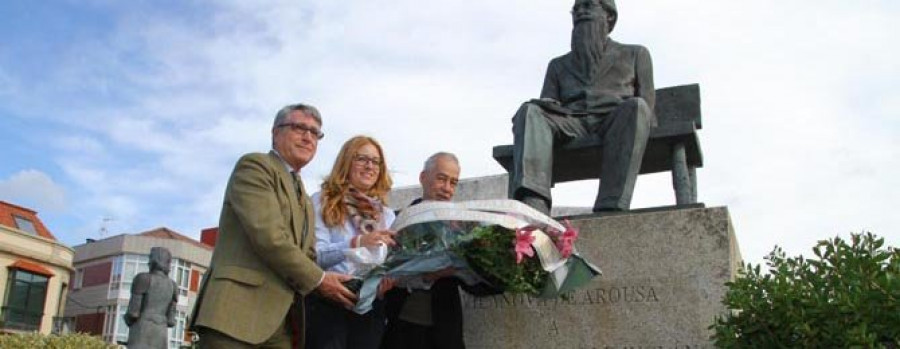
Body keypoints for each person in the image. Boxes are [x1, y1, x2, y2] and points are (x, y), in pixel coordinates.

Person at [190, 104, 358, 349]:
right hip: (235, 316)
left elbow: (308, 256)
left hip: (283, 324)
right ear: (275, 133)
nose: (308, 137)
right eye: (299, 127)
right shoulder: (255, 167)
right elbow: (269, 238)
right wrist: (320, 280)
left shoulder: (305, 197)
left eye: (315, 133)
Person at [510, 0, 656, 214]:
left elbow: (647, 105)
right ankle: (535, 202)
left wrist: (637, 119)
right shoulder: (558, 65)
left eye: (588, 6)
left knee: (637, 107)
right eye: (576, 9)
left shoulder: (635, 54)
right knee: (529, 111)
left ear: (609, 16)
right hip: (572, 123)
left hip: (614, 122)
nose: (580, 12)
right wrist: (548, 106)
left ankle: (611, 204)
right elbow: (546, 106)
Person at [381, 152, 501, 349]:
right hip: (400, 331)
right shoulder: (396, 222)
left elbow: (484, 287)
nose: (447, 189)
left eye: (453, 182)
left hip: (445, 331)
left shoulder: (463, 226)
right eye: (441, 179)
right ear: (423, 178)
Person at [305, 135, 398, 349]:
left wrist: (389, 278)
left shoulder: (386, 215)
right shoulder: (322, 200)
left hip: (370, 309)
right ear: (347, 161)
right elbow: (314, 258)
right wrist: (357, 242)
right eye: (362, 159)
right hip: (328, 305)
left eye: (375, 161)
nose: (369, 166)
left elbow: (391, 261)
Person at [124, 247, 177, 349]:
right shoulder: (173, 286)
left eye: (150, 258)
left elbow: (133, 313)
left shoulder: (142, 278)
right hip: (161, 333)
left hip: (141, 331)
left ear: (153, 260)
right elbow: (171, 321)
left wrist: (127, 320)